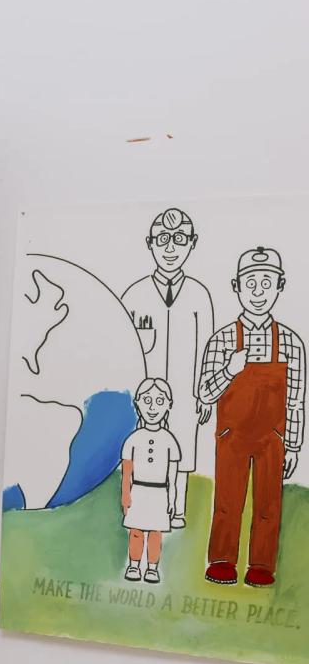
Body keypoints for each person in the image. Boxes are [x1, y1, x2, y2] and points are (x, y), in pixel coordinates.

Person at [199, 247, 305, 587]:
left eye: (267, 283)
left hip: (272, 438)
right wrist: (229, 370)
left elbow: (296, 399)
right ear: (236, 286)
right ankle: (221, 560)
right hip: (231, 435)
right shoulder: (222, 340)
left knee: (268, 503)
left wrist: (293, 445)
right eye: (250, 283)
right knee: (227, 500)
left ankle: (261, 565)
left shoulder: (291, 343)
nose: (258, 292)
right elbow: (204, 392)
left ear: (280, 286)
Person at [121, 208, 214, 528]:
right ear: (150, 244)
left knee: (182, 449)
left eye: (179, 239)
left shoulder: (199, 295)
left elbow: (207, 349)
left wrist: (205, 393)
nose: (171, 248)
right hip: (145, 391)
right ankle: (136, 508)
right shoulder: (135, 295)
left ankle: (177, 509)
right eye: (162, 239)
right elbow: (125, 347)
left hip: (186, 389)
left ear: (192, 243)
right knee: (144, 446)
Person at [120, 378, 180, 584]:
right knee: (136, 532)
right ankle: (134, 565)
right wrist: (126, 495)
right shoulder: (133, 440)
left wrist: (172, 500)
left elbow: (172, 477)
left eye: (159, 401)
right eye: (147, 400)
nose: (153, 407)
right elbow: (126, 472)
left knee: (155, 533)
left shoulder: (170, 441)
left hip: (160, 493)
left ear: (168, 405)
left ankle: (152, 568)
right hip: (138, 491)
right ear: (138, 403)